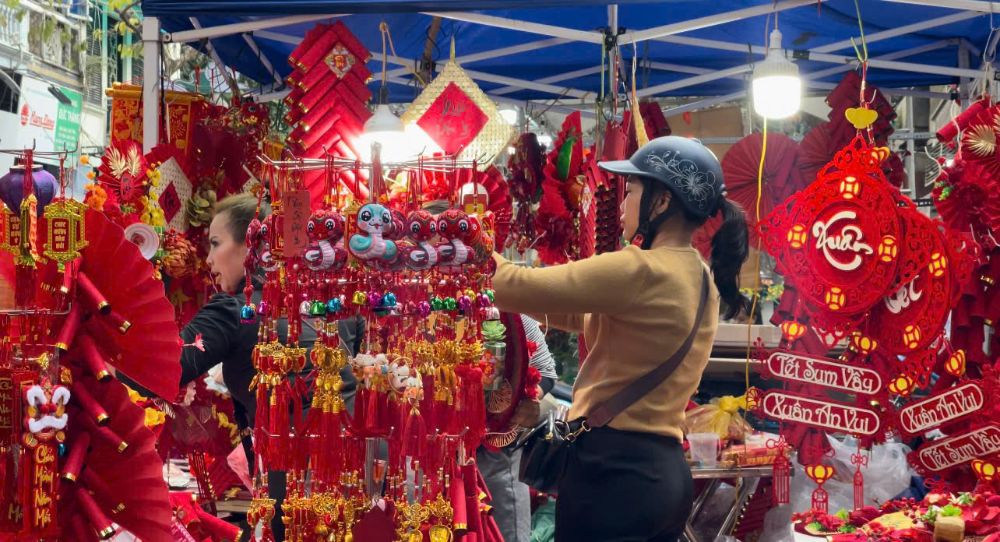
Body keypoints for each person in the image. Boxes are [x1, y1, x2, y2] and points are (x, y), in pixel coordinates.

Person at [491, 136, 749, 542]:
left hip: (614, 474)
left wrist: (462, 235)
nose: (624, 203)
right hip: (659, 471)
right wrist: (535, 303)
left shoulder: (642, 269)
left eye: (631, 191)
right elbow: (582, 313)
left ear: (661, 202)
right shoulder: (698, 277)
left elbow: (510, 283)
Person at [178, 193, 362, 541]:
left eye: (216, 244)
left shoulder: (234, 310)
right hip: (361, 467)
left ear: (250, 247)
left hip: (299, 483)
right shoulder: (331, 302)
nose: (208, 259)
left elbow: (163, 366)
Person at [421, 199, 558, 541]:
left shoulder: (499, 303)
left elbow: (545, 369)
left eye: (455, 245)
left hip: (494, 461)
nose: (446, 256)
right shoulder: (412, 308)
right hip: (426, 463)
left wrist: (519, 403)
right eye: (437, 245)